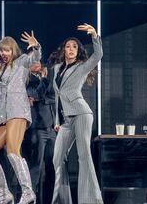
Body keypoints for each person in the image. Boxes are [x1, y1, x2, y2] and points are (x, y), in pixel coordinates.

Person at [0, 31, 41, 204]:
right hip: (4, 117)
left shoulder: (21, 62)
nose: (3, 54)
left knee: (13, 151)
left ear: (13, 50)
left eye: (7, 50)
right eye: (1, 51)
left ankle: (28, 193)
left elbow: (35, 58)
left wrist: (35, 46)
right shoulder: (0, 69)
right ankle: (5, 194)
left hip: (18, 111)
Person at [52, 23, 103, 204]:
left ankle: (90, 200)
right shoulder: (57, 69)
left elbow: (98, 55)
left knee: (84, 157)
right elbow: (57, 96)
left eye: (74, 47)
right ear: (64, 50)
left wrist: (94, 36)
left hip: (82, 114)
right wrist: (57, 120)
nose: (71, 49)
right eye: (68, 46)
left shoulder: (82, 66)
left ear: (78, 51)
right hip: (65, 120)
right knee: (57, 158)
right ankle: (62, 200)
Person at [22, 61, 56, 204]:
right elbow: (36, 94)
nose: (39, 65)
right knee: (34, 168)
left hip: (52, 129)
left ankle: (51, 200)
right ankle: (30, 200)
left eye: (39, 62)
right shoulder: (26, 80)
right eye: (34, 62)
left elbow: (54, 98)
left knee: (52, 168)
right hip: (36, 129)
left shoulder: (47, 79)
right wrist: (43, 81)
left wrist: (40, 99)